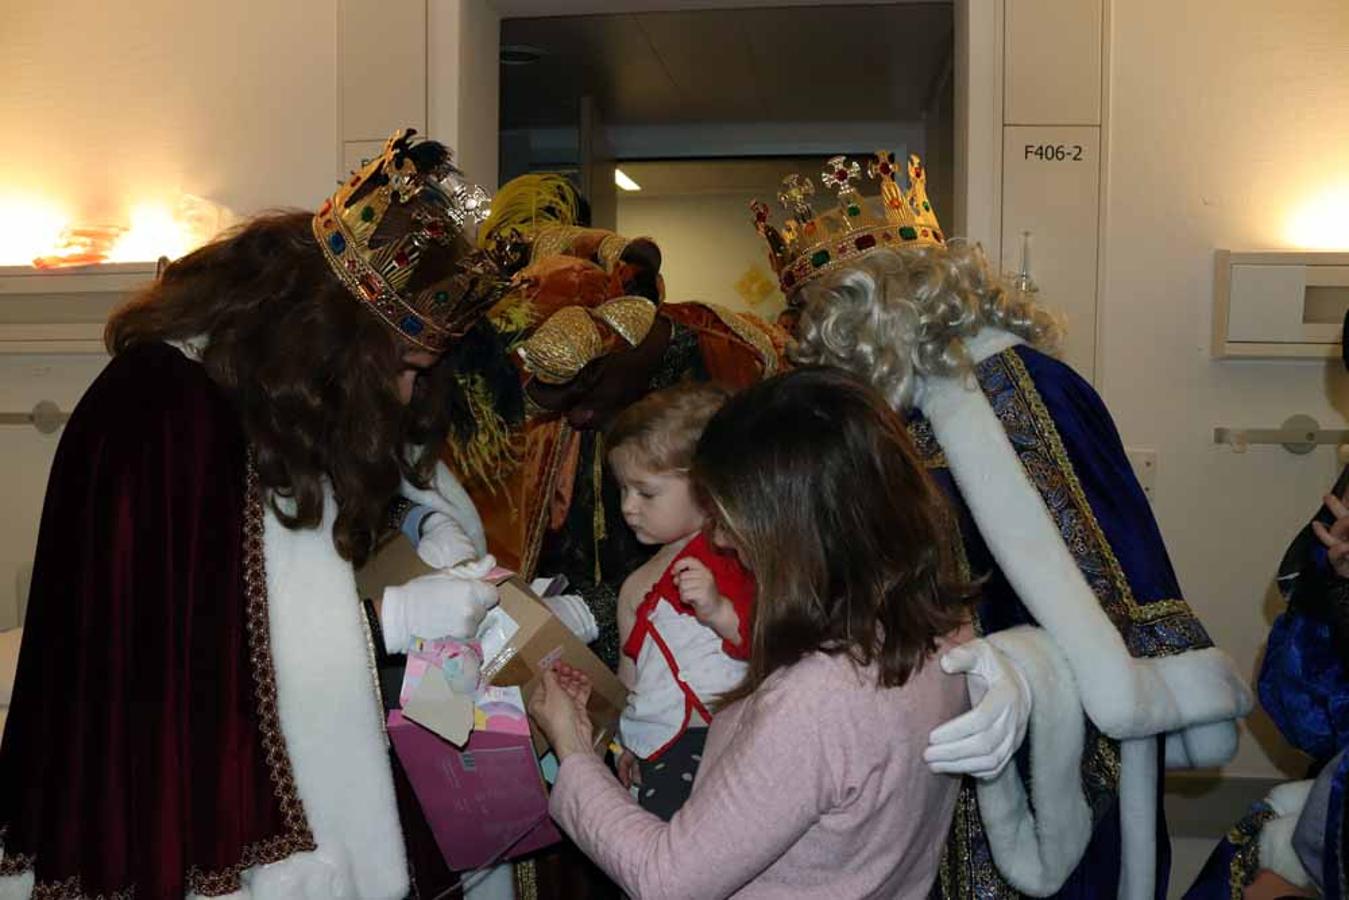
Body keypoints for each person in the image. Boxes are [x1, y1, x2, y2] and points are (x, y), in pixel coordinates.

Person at [0, 129, 507, 899]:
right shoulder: (165, 409)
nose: (406, 396)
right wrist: (390, 625)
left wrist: (419, 519)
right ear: (340, 340)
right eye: (404, 369)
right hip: (198, 813)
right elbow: (190, 655)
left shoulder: (270, 397)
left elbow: (307, 544)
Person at [773, 152, 1253, 897]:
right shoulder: (895, 412)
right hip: (935, 712)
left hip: (1037, 726)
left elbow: (1108, 576)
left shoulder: (1028, 391)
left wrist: (1033, 678)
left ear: (868, 308)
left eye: (820, 315)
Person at [529, 366, 973, 899]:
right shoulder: (934, 629)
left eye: (730, 517)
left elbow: (665, 879)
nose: (717, 536)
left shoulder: (818, 697)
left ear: (787, 526)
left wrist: (573, 746)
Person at [605, 383, 755, 820]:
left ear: (707, 486)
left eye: (646, 493)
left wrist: (719, 611)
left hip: (731, 739)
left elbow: (770, 640)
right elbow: (630, 679)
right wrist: (627, 740)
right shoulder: (636, 585)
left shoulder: (737, 554)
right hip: (663, 752)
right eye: (622, 490)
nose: (629, 508)